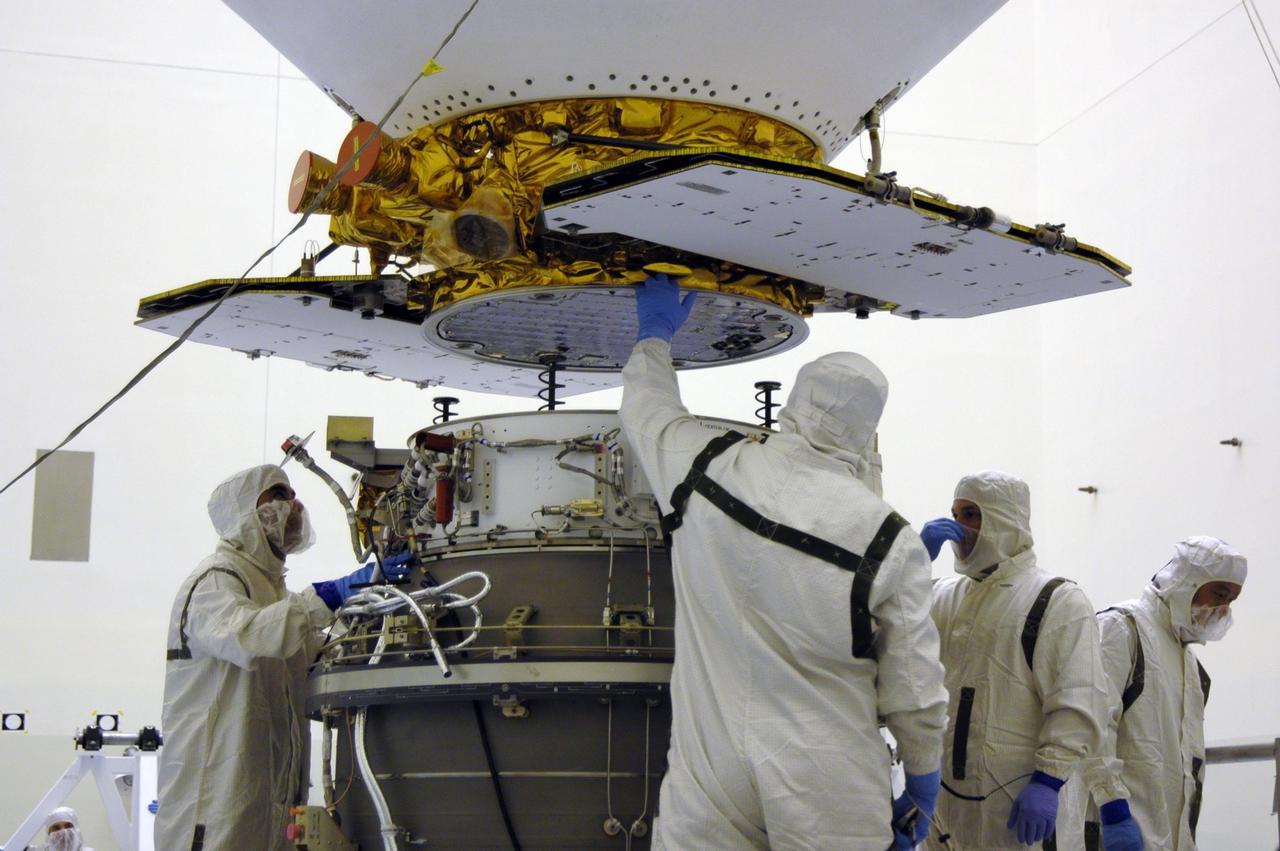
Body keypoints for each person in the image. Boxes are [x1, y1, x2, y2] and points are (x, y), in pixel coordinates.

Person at [620, 276, 948, 850]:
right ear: (868, 432)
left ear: (794, 403)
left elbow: (647, 409)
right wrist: (922, 778)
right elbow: (914, 688)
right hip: (829, 780)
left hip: (710, 769)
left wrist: (654, 338)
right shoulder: (888, 537)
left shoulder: (705, 469)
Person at [156, 464, 407, 850]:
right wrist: (328, 595)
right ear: (243, 513)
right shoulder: (214, 581)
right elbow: (249, 638)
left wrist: (373, 617)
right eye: (276, 495)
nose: (293, 504)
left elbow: (319, 661)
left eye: (290, 495)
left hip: (273, 804)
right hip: (214, 810)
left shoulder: (276, 595)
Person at [919, 471, 1113, 849]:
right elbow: (879, 635)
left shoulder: (1057, 599)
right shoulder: (939, 596)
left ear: (1002, 520)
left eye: (971, 515)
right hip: (943, 813)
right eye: (955, 514)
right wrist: (908, 567)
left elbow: (1079, 699)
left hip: (1019, 813)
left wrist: (1048, 781)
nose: (958, 528)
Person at [1074, 536, 1247, 851]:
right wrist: (1113, 809)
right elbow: (1091, 726)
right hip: (1112, 831)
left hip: (1165, 837)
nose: (1222, 609)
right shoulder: (1123, 628)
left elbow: (1185, 768)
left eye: (1231, 600)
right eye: (1219, 594)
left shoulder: (1189, 664)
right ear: (1187, 581)